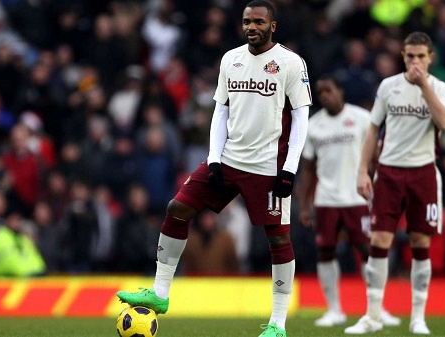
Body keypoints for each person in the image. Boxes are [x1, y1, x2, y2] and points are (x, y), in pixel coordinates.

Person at [116, 1, 312, 336]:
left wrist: (290, 169)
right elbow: (220, 112)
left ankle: (278, 324)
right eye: (247, 21)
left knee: (278, 238)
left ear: (272, 26)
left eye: (259, 22)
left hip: (269, 166)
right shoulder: (230, 59)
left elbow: (300, 117)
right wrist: (215, 157)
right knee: (177, 208)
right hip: (229, 159)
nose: (252, 27)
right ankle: (161, 293)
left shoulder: (290, 63)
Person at [344, 31, 445, 335]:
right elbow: (372, 130)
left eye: (420, 56)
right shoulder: (388, 87)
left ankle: (418, 317)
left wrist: (423, 88)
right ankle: (373, 315)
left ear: (430, 57)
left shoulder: (440, 88)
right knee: (379, 242)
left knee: (420, 244)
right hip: (389, 173)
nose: (415, 61)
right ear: (403, 56)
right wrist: (363, 171)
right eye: (410, 56)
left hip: (423, 173)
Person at [297, 75, 400, 327]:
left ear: (340, 91)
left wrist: (382, 190)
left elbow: (376, 157)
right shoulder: (313, 125)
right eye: (320, 92)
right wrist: (304, 204)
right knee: (325, 251)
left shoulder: (362, 118)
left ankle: (377, 309)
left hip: (358, 197)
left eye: (328, 90)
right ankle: (334, 310)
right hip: (326, 200)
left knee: (368, 250)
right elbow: (308, 169)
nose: (324, 96)